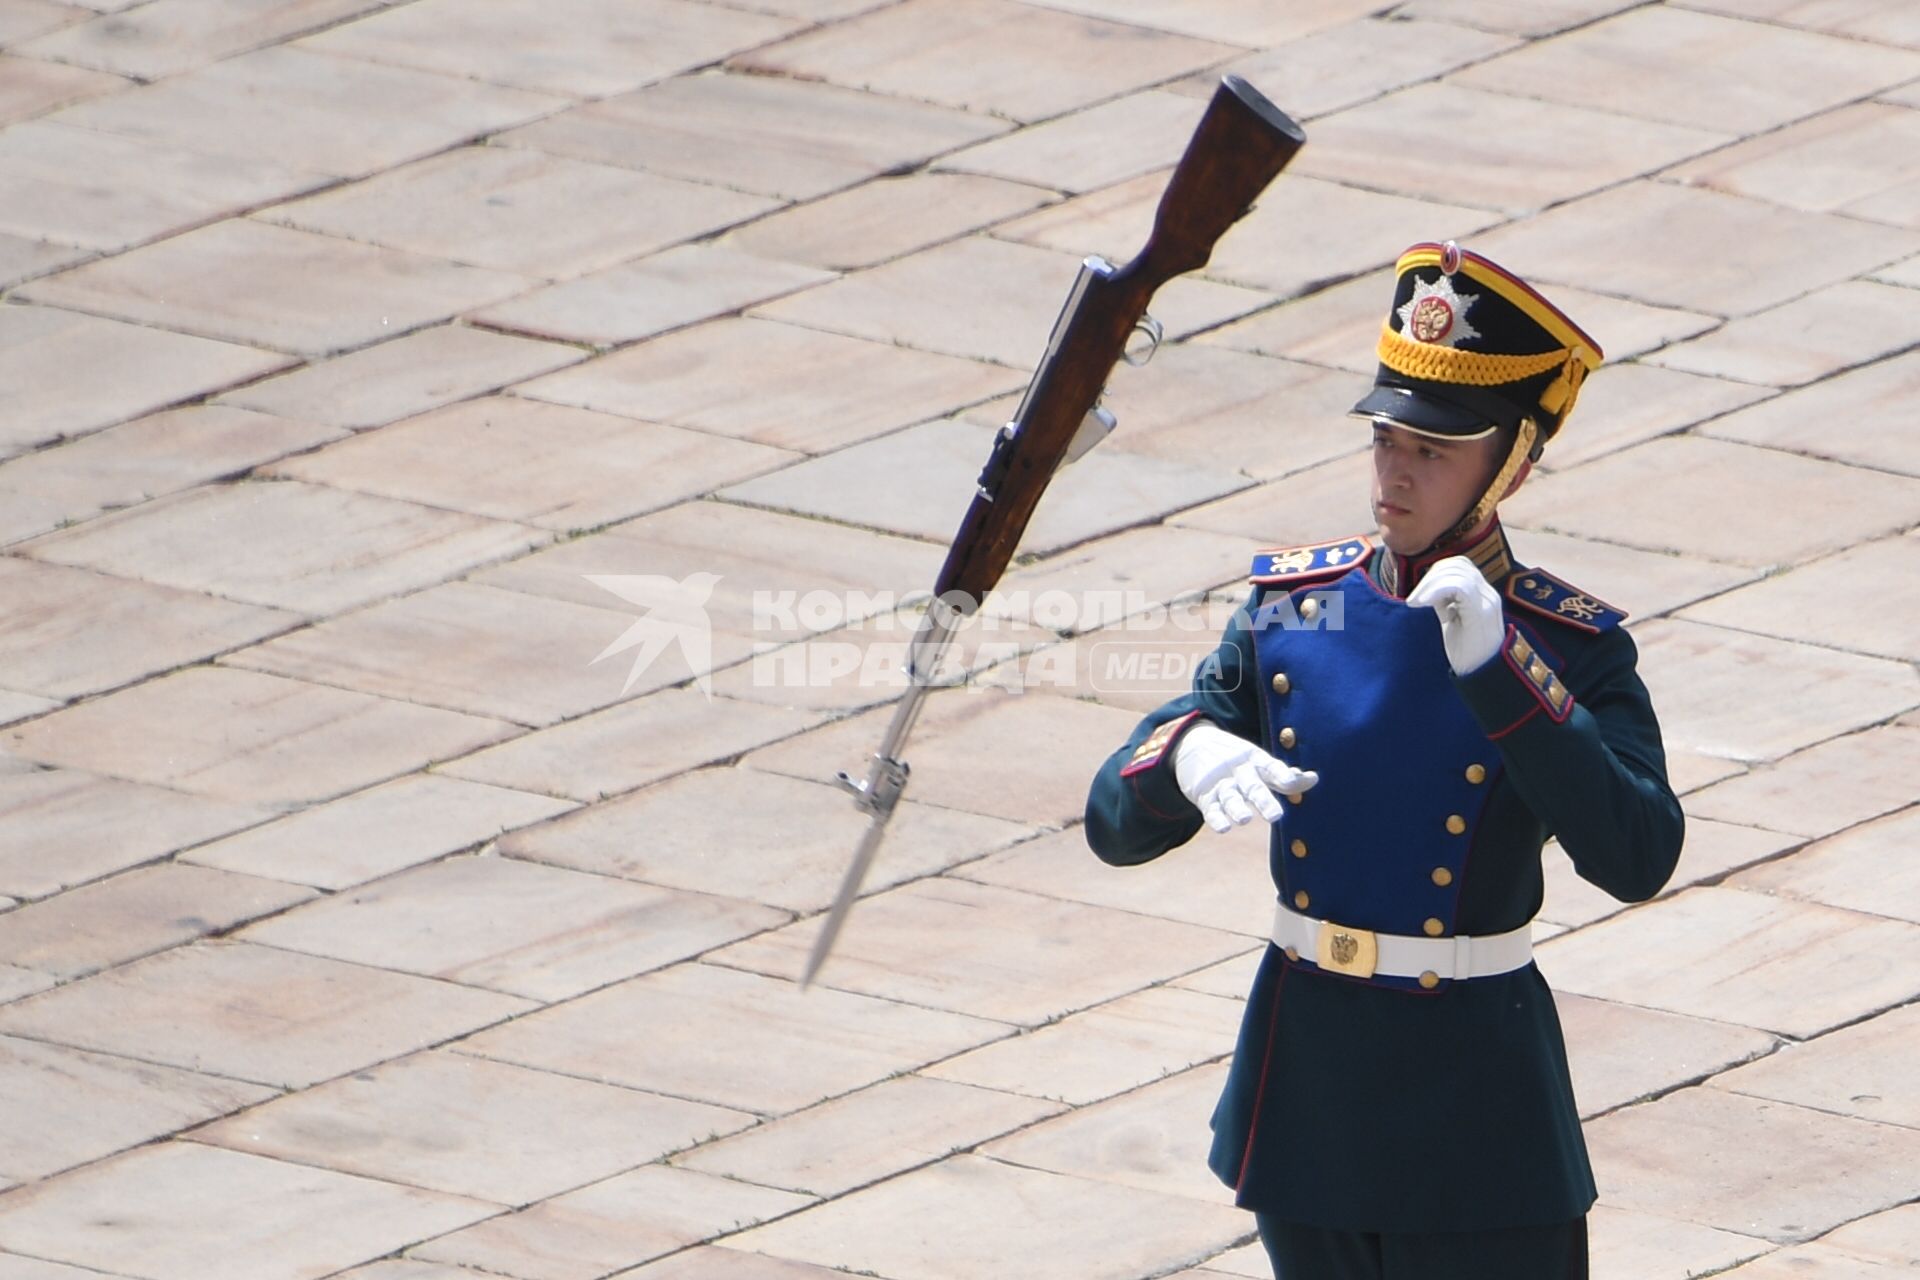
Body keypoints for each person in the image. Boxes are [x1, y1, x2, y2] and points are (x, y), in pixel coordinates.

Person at [1084, 241, 1685, 1279]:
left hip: (1476, 1102)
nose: (1397, 471)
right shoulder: (1293, 614)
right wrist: (1183, 753)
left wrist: (1504, 671)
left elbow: (1637, 850)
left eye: (1436, 448)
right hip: (1310, 1085)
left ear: (1516, 460)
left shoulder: (1569, 645)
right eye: (1387, 438)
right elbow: (1110, 820)